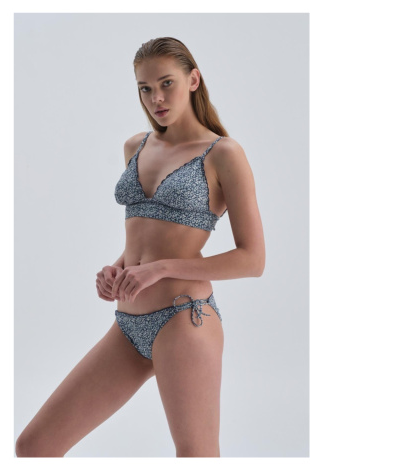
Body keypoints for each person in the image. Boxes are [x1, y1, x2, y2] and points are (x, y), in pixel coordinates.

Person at [15, 36, 265, 458]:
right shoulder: (135, 146)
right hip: (128, 326)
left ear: (193, 80)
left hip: (185, 321)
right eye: (145, 88)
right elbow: (147, 235)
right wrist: (118, 268)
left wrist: (160, 268)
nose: (156, 98)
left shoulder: (223, 153)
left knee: (196, 455)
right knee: (34, 447)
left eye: (166, 84)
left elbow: (253, 260)